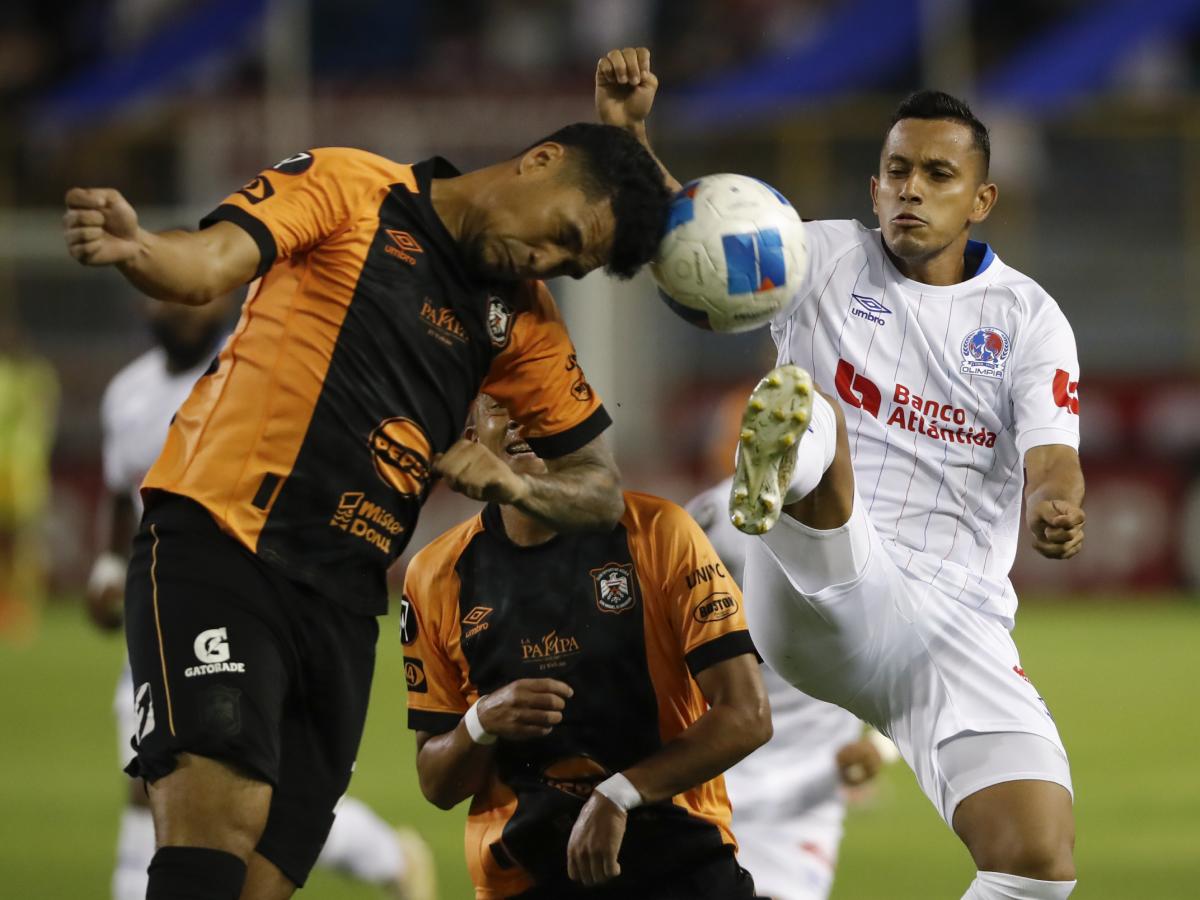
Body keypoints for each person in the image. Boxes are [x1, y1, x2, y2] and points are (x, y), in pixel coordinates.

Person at [63, 123, 671, 900]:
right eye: (560, 235)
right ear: (541, 161)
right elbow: (206, 263)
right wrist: (140, 249)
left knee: (258, 882)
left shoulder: (522, 321)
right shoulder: (354, 188)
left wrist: (516, 486)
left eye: (569, 263)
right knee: (210, 842)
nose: (546, 260)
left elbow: (598, 488)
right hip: (220, 545)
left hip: (345, 609)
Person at [597, 48, 1084, 900]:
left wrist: (1057, 508)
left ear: (981, 199)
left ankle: (787, 455)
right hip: (823, 584)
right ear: (872, 187)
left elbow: (1054, 464)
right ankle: (782, 462)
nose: (911, 189)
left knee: (1036, 864)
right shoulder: (818, 259)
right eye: (896, 171)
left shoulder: (1027, 319)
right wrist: (630, 135)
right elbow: (693, 235)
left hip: (951, 624)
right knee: (810, 410)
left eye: (938, 174)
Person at [85, 296, 435, 900]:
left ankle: (384, 855)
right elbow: (124, 489)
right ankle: (388, 856)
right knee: (171, 793)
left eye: (183, 295)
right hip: (163, 604)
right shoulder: (127, 394)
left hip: (251, 604)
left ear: (214, 297)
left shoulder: (255, 365)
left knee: (222, 791)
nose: (173, 309)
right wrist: (109, 567)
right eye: (158, 297)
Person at [401, 393, 771, 899]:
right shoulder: (434, 574)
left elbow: (747, 714)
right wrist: (481, 721)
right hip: (525, 877)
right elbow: (437, 783)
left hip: (683, 862)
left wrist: (618, 795)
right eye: (498, 404)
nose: (519, 417)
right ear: (471, 439)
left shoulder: (661, 533)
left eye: (533, 394)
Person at [686, 478, 895, 900]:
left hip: (806, 788)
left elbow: (917, 658)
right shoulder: (711, 518)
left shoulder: (872, 524)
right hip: (704, 777)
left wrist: (881, 748)